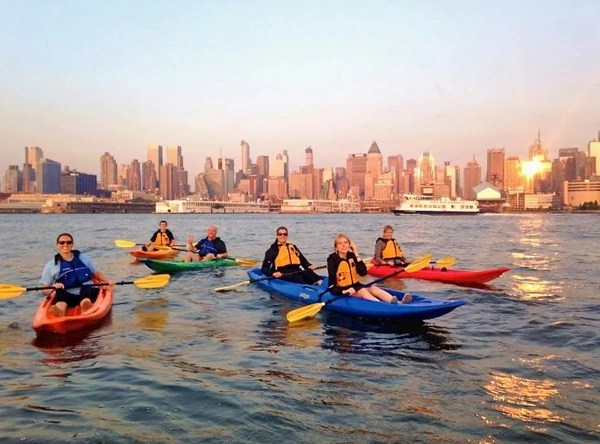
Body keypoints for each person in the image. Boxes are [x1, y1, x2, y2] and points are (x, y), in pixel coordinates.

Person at [40, 233, 115, 317]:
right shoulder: (51, 265)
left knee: (85, 288)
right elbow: (44, 289)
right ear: (57, 245)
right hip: (68, 296)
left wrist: (107, 281)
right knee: (60, 293)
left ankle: (86, 306)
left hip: (88, 293)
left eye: (68, 242)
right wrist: (53, 287)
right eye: (62, 242)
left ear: (72, 244)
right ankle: (59, 310)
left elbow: (96, 273)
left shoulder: (84, 258)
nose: (65, 244)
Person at [328, 233, 411, 304]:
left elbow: (363, 273)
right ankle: (382, 305)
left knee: (373, 288)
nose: (343, 245)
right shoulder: (332, 260)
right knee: (362, 291)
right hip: (343, 290)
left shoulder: (352, 256)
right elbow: (331, 286)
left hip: (356, 286)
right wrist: (342, 292)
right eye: (340, 243)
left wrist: (355, 252)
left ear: (349, 245)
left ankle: (398, 302)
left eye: (346, 242)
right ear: (336, 247)